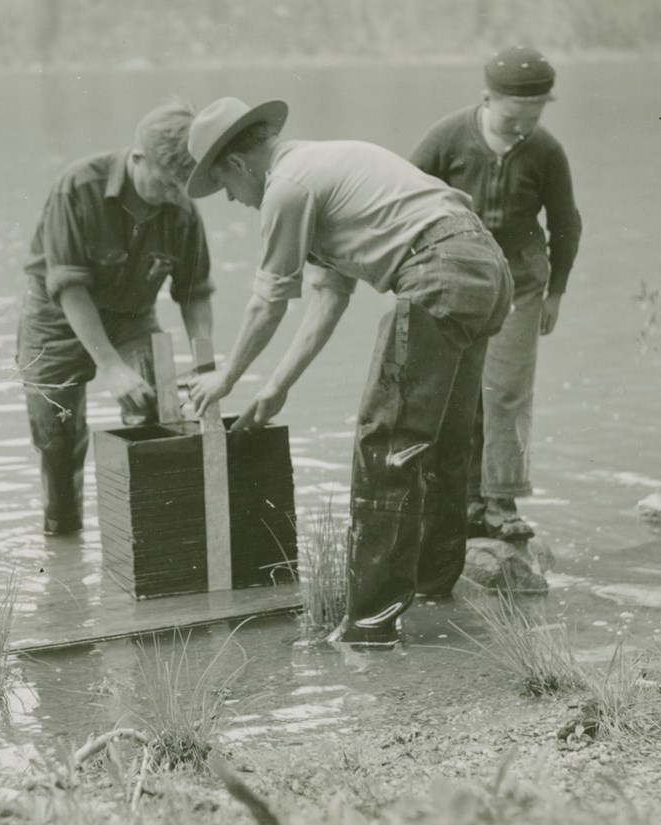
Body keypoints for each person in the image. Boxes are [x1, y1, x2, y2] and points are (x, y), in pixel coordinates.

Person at [185, 97, 512, 645]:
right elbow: (329, 296)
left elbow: (268, 302)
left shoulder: (286, 187)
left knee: (385, 443)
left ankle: (368, 626)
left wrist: (226, 378)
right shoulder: (319, 165)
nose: (232, 201)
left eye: (224, 186)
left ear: (240, 165)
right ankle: (433, 588)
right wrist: (275, 386)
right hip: (484, 266)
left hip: (437, 270)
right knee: (440, 441)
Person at [17, 100, 214, 536]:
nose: (175, 196)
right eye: (166, 185)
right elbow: (69, 286)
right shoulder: (79, 186)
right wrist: (109, 367)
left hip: (132, 317)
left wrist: (207, 367)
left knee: (156, 412)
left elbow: (194, 293)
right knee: (58, 442)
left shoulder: (182, 206)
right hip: (56, 320)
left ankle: (155, 541)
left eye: (183, 186)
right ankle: (63, 540)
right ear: (137, 158)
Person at [411, 45, 582, 542]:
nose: (523, 126)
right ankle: (463, 500)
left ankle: (501, 501)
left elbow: (566, 222)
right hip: (457, 282)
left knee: (505, 390)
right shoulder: (447, 138)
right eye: (514, 115)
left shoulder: (546, 151)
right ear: (488, 97)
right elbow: (407, 196)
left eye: (534, 115)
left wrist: (557, 292)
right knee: (459, 394)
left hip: (523, 286)